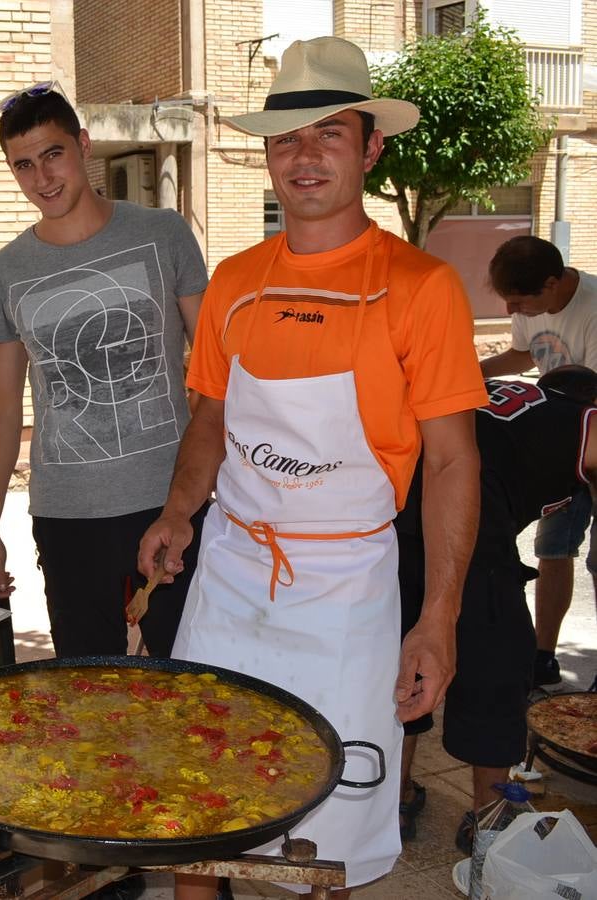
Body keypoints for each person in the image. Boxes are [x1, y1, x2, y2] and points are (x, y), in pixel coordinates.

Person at [138, 37, 486, 898]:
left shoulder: (421, 286)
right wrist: (180, 510)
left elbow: (450, 461)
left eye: (330, 132)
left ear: (371, 148)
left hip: (346, 588)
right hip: (232, 570)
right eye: (287, 136)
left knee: (326, 832)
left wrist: (436, 619)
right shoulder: (236, 281)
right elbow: (213, 416)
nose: (305, 155)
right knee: (200, 795)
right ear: (266, 153)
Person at [0, 82, 210, 658]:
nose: (42, 178)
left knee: (188, 684)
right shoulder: (9, 269)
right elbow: (4, 406)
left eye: (53, 154)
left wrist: (208, 490)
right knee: (87, 691)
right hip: (68, 513)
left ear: (82, 145)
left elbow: (217, 369)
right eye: (23, 165)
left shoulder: (163, 233)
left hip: (168, 501)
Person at [396, 366, 597, 854]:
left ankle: (395, 800)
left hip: (397, 513)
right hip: (466, 519)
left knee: (402, 661)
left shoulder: (509, 396)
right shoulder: (580, 419)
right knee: (498, 667)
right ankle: (490, 823)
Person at [479, 235, 597, 687]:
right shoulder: (534, 307)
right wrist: (469, 373)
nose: (511, 310)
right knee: (553, 549)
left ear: (552, 284)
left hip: (589, 441)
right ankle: (543, 655)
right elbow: (524, 354)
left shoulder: (591, 309)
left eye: (518, 302)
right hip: (563, 443)